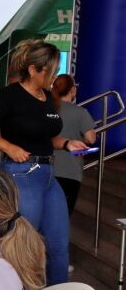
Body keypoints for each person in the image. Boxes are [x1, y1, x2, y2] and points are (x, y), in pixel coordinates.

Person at [0, 39, 87, 286]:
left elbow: (46, 135)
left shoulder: (47, 98)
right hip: (21, 174)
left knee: (59, 247)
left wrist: (66, 143)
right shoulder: (11, 95)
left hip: (48, 175)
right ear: (33, 70)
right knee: (21, 248)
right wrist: (8, 147)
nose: (54, 77)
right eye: (50, 71)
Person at [51, 74, 97, 215]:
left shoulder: (47, 109)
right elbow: (91, 138)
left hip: (45, 168)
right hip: (69, 171)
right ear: (73, 90)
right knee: (62, 216)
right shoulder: (80, 112)